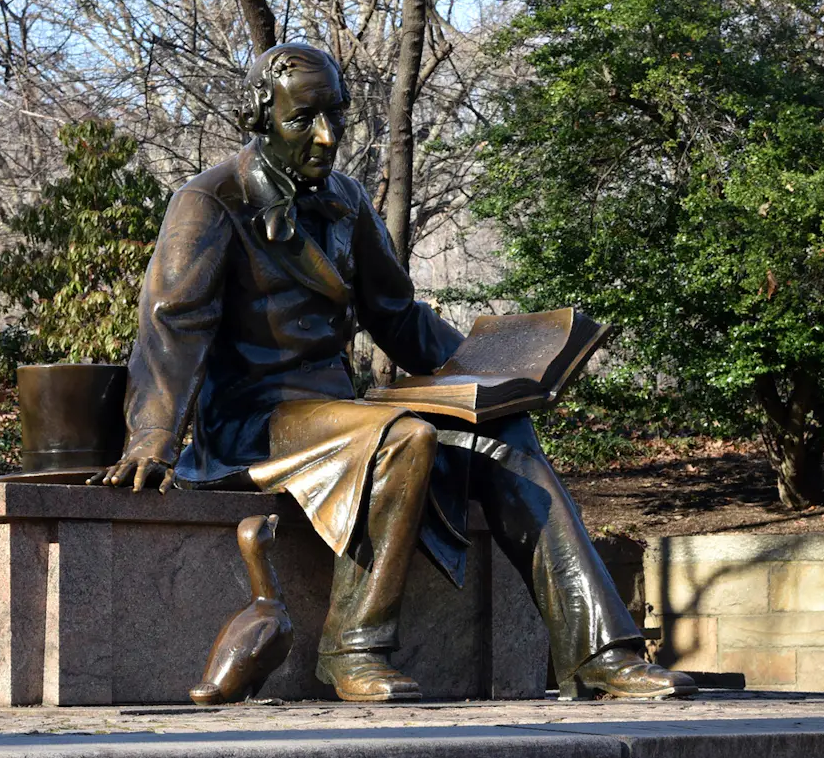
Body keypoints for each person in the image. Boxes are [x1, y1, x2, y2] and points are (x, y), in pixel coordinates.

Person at [92, 42, 692, 703]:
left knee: (507, 435)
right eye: (304, 119)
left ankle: (600, 654)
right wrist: (152, 439)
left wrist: (491, 374)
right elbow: (172, 328)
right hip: (253, 424)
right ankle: (352, 648)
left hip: (337, 414)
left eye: (336, 116)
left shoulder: (346, 200)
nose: (327, 137)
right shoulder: (209, 201)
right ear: (262, 120)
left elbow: (399, 317)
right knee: (403, 437)